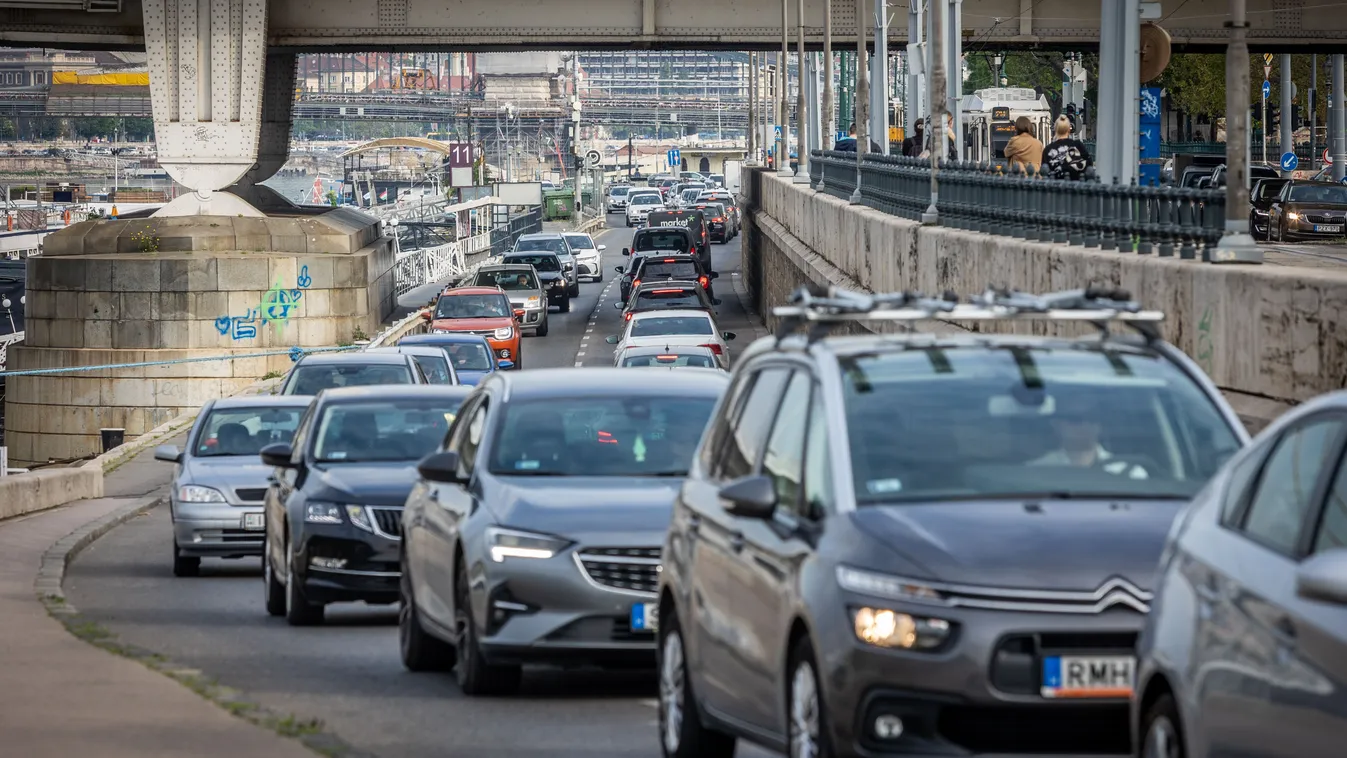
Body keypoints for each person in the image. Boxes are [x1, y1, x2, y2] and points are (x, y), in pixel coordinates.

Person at [1029, 394, 1147, 479]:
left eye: (1092, 417)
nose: (1086, 424)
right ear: (1056, 424)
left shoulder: (1130, 474)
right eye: (1075, 418)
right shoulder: (1036, 472)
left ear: (1101, 423)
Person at [1042, 115, 1093, 180]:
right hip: (1077, 185)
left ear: (1055, 129)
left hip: (1056, 186)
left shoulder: (1048, 149)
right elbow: (1089, 165)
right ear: (1069, 129)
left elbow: (1044, 171)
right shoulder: (1078, 146)